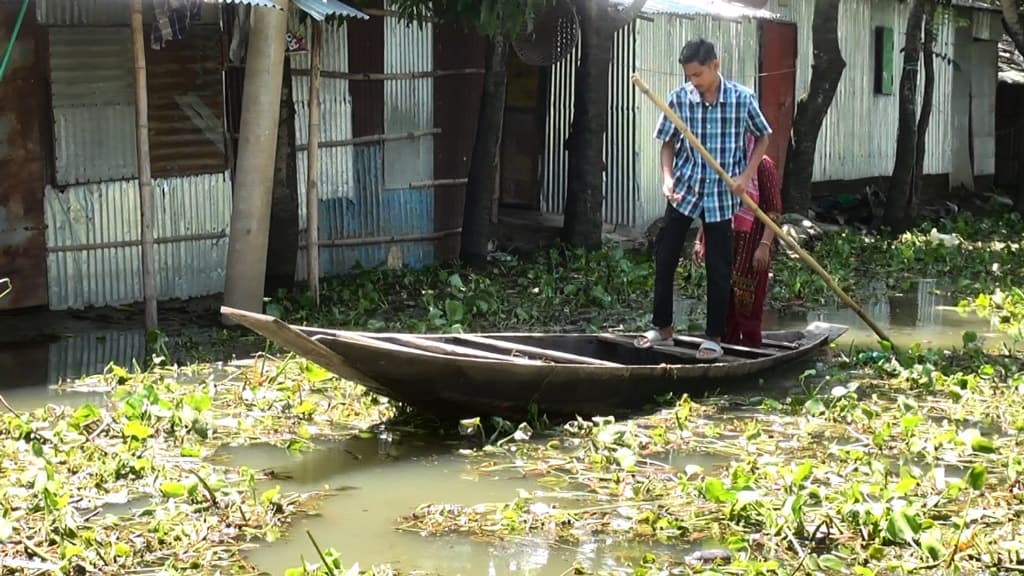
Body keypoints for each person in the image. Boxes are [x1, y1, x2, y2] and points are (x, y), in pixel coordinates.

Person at [633, 38, 772, 360]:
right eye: (688, 76)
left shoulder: (741, 98)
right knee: (665, 257)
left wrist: (746, 175)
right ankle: (662, 326)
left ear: (715, 66)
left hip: (721, 194)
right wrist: (667, 178)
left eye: (697, 75)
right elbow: (667, 142)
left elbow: (764, 135)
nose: (692, 82)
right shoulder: (679, 99)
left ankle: (713, 336)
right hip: (685, 188)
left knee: (718, 267)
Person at [693, 133, 782, 349]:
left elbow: (773, 213)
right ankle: (726, 350)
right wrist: (699, 240)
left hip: (751, 247)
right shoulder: (723, 165)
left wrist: (764, 246)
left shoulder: (762, 166)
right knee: (723, 309)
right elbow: (711, 206)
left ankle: (751, 352)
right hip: (724, 243)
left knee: (749, 310)